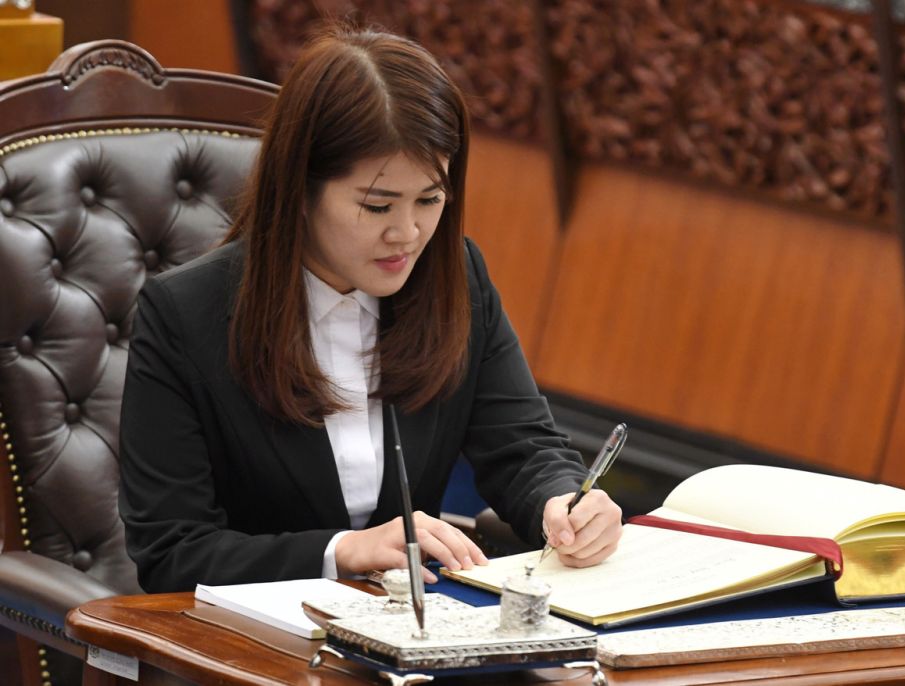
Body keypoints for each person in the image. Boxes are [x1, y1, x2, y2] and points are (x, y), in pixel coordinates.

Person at [118, 26, 623, 593]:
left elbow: (522, 444)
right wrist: (343, 551)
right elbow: (172, 551)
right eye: (377, 205)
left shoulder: (454, 275)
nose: (407, 234)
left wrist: (563, 500)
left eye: (430, 200)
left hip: (417, 631)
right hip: (254, 651)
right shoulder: (185, 314)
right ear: (301, 190)